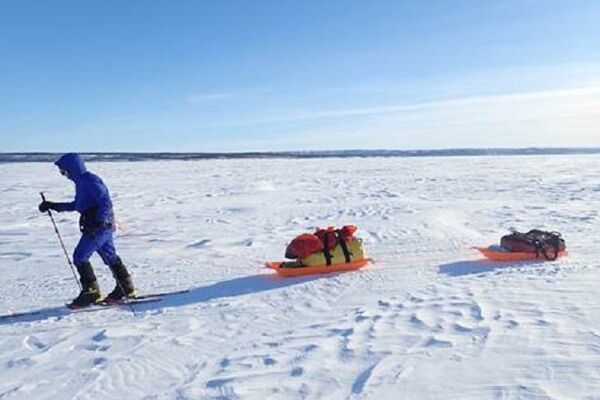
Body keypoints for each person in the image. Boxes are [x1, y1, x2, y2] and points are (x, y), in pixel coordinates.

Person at [38, 153, 135, 307]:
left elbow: (105, 201)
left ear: (72, 168)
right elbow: (78, 205)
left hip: (100, 227)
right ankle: (126, 288)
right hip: (99, 225)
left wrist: (100, 221)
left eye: (63, 170)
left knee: (80, 256)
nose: (63, 174)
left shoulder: (89, 180)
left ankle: (91, 292)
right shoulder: (81, 182)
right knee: (109, 256)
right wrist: (54, 205)